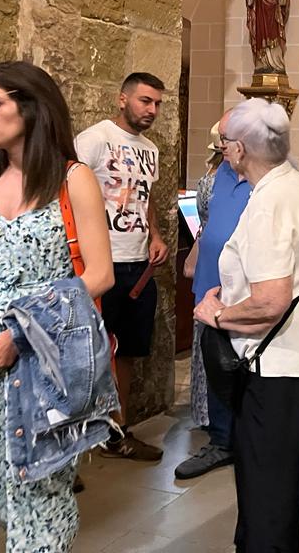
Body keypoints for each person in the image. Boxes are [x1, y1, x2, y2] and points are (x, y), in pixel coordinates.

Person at [0, 62, 114, 551]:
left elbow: (99, 274)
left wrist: (20, 334)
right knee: (0, 480)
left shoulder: (72, 179)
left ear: (31, 108)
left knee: (42, 485)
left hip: (42, 353)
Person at [194, 98, 299, 553]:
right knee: (273, 464)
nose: (223, 150)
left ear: (239, 151)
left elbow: (271, 301)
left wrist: (217, 313)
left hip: (273, 360)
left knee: (266, 472)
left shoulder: (270, 201)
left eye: (225, 143)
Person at [75, 72, 169, 461]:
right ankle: (73, 446)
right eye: (145, 101)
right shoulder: (95, 140)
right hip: (100, 262)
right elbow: (70, 193)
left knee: (126, 352)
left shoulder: (150, 149)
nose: (152, 110)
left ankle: (119, 431)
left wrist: (157, 236)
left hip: (137, 265)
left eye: (158, 104)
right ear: (122, 99)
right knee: (85, 355)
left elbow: (144, 199)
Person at [175, 110, 251, 480]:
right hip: (210, 287)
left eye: (227, 137)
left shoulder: (269, 179)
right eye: (220, 137)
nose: (220, 144)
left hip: (246, 292)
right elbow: (207, 225)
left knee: (244, 368)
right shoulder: (219, 174)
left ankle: (245, 438)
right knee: (214, 364)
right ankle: (221, 440)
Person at [185, 119, 224, 436]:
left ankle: (203, 411)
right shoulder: (220, 180)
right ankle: (215, 412)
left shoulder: (208, 176)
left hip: (207, 261)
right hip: (219, 264)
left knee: (203, 341)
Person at [245, 0, 290, 74]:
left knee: (274, 37)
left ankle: (276, 63)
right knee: (261, 38)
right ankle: (262, 64)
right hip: (261, 15)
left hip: (273, 16)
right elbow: (250, 2)